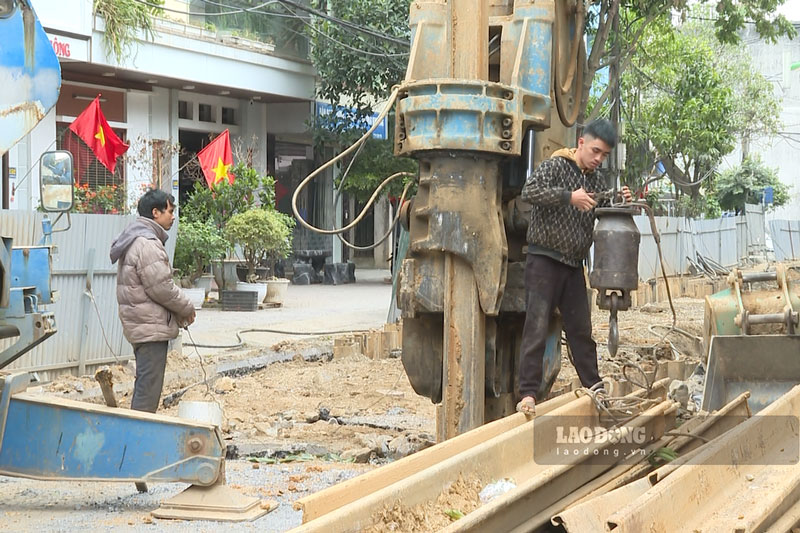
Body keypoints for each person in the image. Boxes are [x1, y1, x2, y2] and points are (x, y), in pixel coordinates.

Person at [516, 119, 631, 415]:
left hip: (573, 265)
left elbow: (605, 209)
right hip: (544, 261)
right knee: (536, 327)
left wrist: (621, 200)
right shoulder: (556, 166)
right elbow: (530, 191)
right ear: (581, 143)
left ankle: (595, 387)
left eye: (604, 155)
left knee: (581, 331)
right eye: (595, 151)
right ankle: (528, 394)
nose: (598, 158)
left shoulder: (596, 181)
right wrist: (569, 197)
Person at [110, 189, 195, 413]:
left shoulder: (136, 238)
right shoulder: (147, 243)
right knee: (148, 390)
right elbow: (162, 287)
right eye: (170, 211)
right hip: (150, 327)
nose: (173, 216)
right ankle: (139, 431)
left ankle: (137, 427)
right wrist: (186, 307)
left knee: (146, 383)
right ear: (155, 212)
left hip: (142, 324)